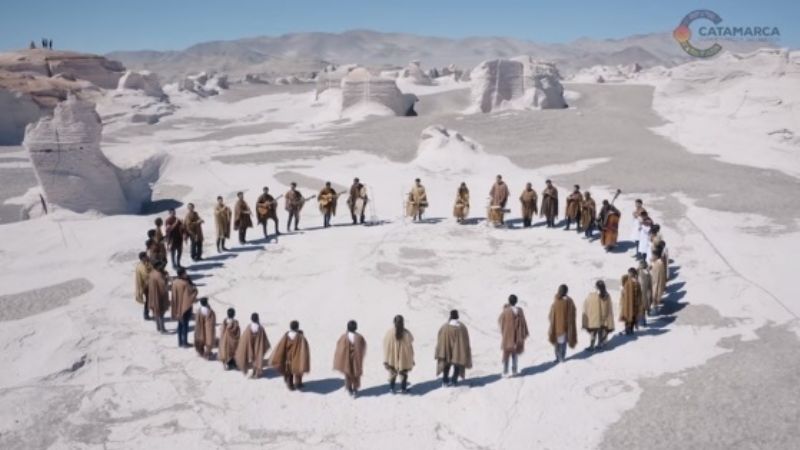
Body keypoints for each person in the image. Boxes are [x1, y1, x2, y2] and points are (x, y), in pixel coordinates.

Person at [435, 310, 472, 387]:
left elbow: (440, 338)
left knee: (446, 365)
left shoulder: (445, 327)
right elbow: (466, 340)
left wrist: (440, 350)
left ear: (450, 316)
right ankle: (454, 380)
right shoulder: (462, 327)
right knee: (457, 366)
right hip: (458, 351)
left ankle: (445, 381)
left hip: (447, 349)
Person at [272, 320, 311, 391]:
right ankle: (298, 383)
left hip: (288, 357)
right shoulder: (300, 337)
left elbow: (281, 346)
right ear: (297, 327)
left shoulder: (286, 335)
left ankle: (290, 384)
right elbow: (304, 347)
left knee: (289, 371)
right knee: (298, 369)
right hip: (297, 356)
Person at [333, 320, 367, 398]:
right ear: (356, 328)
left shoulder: (343, 337)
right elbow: (363, 347)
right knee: (356, 374)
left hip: (346, 359)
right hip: (356, 359)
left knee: (348, 374)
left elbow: (339, 347)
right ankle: (355, 389)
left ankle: (349, 389)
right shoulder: (359, 337)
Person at [498, 294, 529, 377]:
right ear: (516, 301)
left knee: (506, 354)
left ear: (509, 301)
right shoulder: (520, 310)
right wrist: (523, 333)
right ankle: (514, 370)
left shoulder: (506, 311)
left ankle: (505, 372)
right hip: (518, 336)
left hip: (508, 336)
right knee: (515, 354)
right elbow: (523, 323)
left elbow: (501, 322)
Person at [383, 315, 414, 393]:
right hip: (404, 358)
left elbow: (385, 344)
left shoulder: (389, 333)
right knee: (404, 374)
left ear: (394, 322)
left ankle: (391, 389)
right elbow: (410, 345)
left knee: (392, 373)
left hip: (392, 358)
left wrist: (387, 358)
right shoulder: (406, 333)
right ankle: (403, 389)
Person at [235, 313, 271, 379]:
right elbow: (264, 338)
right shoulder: (260, 328)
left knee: (253, 359)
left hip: (250, 346)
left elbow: (244, 338)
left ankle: (254, 372)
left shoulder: (249, 327)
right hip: (258, 346)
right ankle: (257, 373)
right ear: (257, 319)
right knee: (258, 358)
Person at [582, 280, 615, 351]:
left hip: (595, 318)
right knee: (601, 331)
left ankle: (592, 346)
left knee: (593, 332)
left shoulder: (593, 295)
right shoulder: (607, 295)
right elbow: (609, 307)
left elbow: (587, 304)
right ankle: (600, 344)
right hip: (604, 318)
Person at [548, 284, 577, 363]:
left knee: (559, 343)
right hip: (562, 327)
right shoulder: (568, 301)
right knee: (561, 343)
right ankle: (560, 357)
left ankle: (559, 358)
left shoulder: (558, 300)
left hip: (558, 327)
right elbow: (573, 313)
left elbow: (551, 314)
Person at [170, 267, 197, 347]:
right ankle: (185, 342)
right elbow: (191, 295)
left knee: (180, 325)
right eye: (185, 273)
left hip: (177, 306)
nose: (186, 274)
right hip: (185, 308)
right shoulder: (185, 284)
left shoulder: (175, 282)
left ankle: (180, 342)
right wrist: (195, 290)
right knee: (185, 325)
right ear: (182, 274)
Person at [147, 261, 170, 333]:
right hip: (159, 296)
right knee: (161, 313)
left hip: (152, 295)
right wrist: (166, 279)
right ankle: (162, 329)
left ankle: (158, 327)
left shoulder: (151, 273)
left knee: (156, 312)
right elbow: (163, 286)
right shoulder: (158, 275)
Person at [619, 269, 643, 335]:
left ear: (632, 274)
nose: (628, 274)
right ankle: (630, 330)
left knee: (630, 316)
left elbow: (625, 293)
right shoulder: (634, 282)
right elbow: (639, 294)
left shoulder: (631, 283)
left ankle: (628, 330)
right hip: (632, 303)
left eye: (629, 273)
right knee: (631, 316)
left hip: (630, 303)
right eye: (628, 273)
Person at [134, 252, 152, 320]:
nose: (147, 257)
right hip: (146, 287)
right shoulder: (139, 267)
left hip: (152, 285)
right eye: (146, 256)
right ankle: (146, 314)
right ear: (142, 258)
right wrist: (141, 289)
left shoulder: (149, 263)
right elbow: (139, 279)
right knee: (148, 301)